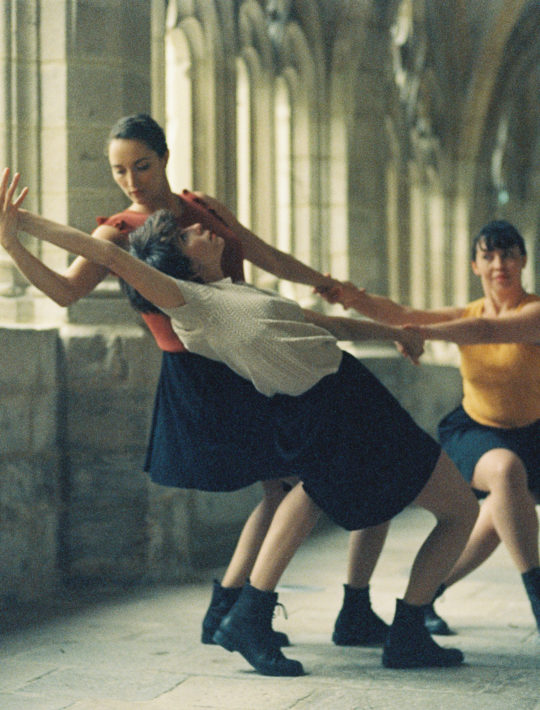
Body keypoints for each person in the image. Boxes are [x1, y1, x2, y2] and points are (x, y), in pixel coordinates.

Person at [1, 177, 479, 675]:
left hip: (352, 394)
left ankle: (332, 621)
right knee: (457, 510)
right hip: (330, 407)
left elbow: (328, 325)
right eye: (186, 235)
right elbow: (115, 260)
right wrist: (19, 228)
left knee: (365, 501)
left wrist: (395, 334)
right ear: (181, 263)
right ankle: (379, 629)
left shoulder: (235, 291)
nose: (198, 230)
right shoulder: (192, 304)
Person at [0, 114, 389, 648]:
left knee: (287, 486)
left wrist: (325, 282)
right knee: (291, 485)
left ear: (164, 157)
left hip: (254, 353)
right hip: (201, 370)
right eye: (119, 171)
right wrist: (12, 243)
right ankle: (241, 610)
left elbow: (263, 254)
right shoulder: (116, 230)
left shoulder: (201, 209)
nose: (132, 180)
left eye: (142, 165)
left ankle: (234, 610)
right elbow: (66, 293)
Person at [324, 220, 540, 636]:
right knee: (506, 473)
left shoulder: (533, 311)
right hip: (478, 430)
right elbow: (400, 314)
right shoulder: (464, 313)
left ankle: (425, 595)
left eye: (509, 253)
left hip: (534, 432)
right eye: (489, 255)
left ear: (524, 260)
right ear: (475, 266)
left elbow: (486, 331)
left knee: (504, 510)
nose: (500, 264)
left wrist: (418, 335)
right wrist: (352, 297)